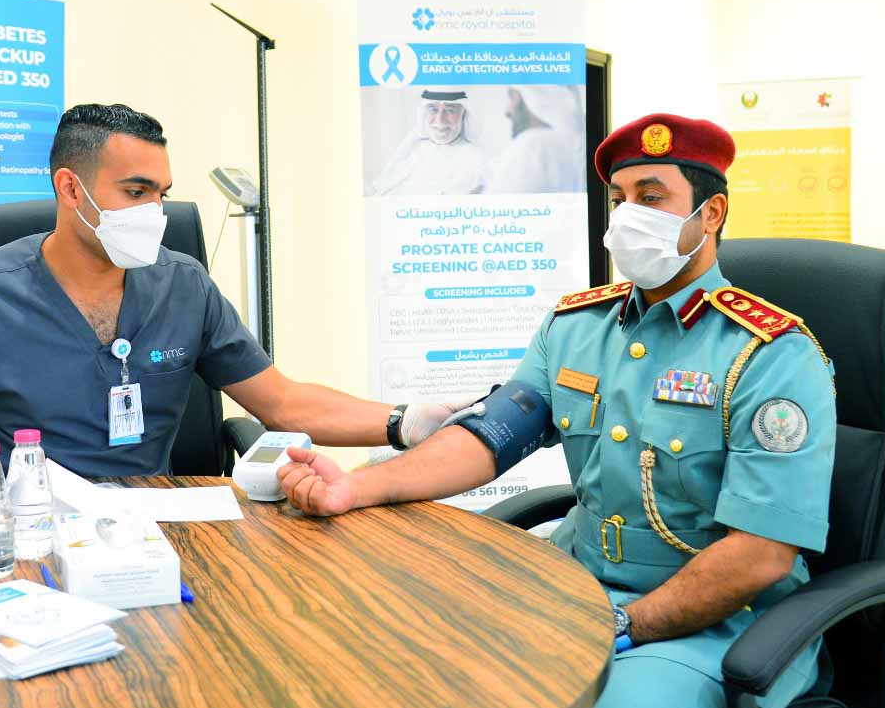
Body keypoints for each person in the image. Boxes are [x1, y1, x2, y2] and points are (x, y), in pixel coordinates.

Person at [277, 114, 837, 708]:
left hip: (714, 621)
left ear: (712, 214)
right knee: (417, 658)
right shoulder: (575, 327)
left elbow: (760, 555)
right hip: (574, 584)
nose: (627, 217)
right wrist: (356, 488)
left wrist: (626, 624)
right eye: (619, 200)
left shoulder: (770, 353)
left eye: (652, 198)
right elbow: (488, 436)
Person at [0, 103, 464, 492]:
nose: (153, 212)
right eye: (134, 191)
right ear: (69, 188)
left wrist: (404, 421)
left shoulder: (182, 284)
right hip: (28, 525)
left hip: (157, 522)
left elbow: (284, 404)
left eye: (160, 193)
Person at [368, 89, 483, 196]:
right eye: (433, 109)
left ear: (464, 115)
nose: (440, 120)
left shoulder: (473, 157)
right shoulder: (413, 146)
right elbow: (380, 187)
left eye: (450, 110)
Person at [483, 85, 585, 194]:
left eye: (512, 97)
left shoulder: (535, 144)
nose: (507, 111)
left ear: (532, 96)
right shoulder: (572, 147)